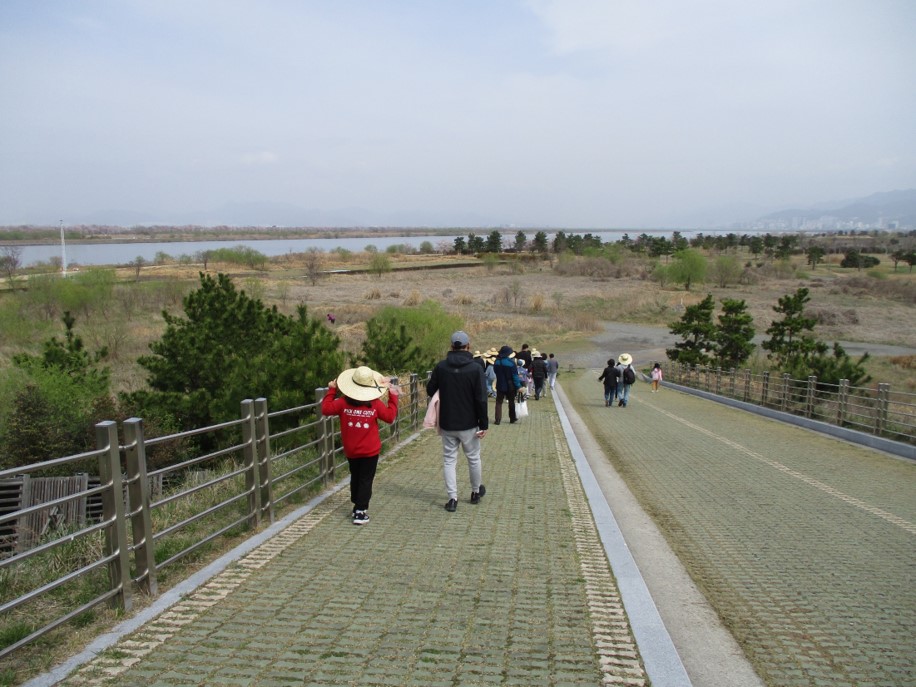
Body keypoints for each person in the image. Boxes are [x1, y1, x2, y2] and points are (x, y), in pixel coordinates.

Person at [321, 366, 398, 525]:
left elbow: (326, 409)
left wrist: (331, 390)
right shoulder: (375, 404)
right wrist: (393, 396)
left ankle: (356, 502)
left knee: (355, 476)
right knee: (365, 479)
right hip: (370, 450)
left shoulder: (342, 403)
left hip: (351, 449)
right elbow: (390, 417)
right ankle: (360, 511)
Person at [426, 331, 489, 513]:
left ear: (451, 346)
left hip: (447, 422)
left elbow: (431, 389)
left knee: (449, 460)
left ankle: (452, 499)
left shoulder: (442, 367)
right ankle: (475, 492)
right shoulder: (476, 368)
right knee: (473, 458)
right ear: (468, 346)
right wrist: (483, 423)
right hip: (469, 423)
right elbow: (481, 399)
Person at [492, 344, 521, 425]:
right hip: (510, 385)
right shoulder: (511, 363)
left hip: (500, 384)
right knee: (511, 401)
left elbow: (495, 371)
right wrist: (518, 386)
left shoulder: (496, 362)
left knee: (498, 402)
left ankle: (497, 419)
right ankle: (512, 418)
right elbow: (515, 376)